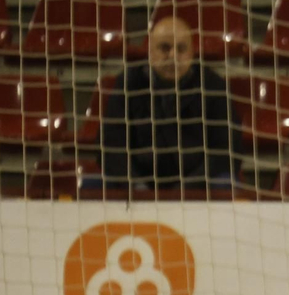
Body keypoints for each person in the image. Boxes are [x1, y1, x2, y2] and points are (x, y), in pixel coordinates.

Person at [100, 16, 239, 189]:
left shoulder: (213, 86)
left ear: (192, 53)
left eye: (181, 49)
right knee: (93, 182)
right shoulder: (128, 83)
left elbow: (226, 150)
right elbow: (112, 145)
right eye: (165, 48)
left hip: (198, 184)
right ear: (150, 51)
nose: (173, 55)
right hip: (138, 183)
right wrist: (136, 185)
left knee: (224, 181)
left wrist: (187, 188)